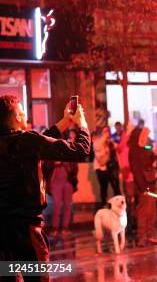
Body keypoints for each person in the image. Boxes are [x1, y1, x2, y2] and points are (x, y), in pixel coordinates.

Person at [0, 95, 90, 281]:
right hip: (25, 230)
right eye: (22, 110)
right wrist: (81, 124)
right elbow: (80, 149)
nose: (25, 113)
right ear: (17, 116)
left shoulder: (23, 142)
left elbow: (41, 142)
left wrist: (65, 121)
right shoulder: (27, 141)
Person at [128, 122, 157, 247]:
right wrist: (143, 188)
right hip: (143, 186)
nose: (145, 138)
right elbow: (136, 170)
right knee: (143, 212)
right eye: (143, 135)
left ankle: (150, 235)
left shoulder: (141, 149)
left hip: (149, 184)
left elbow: (146, 165)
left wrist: (153, 156)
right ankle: (142, 236)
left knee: (152, 211)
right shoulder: (134, 151)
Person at [43, 160, 78, 238]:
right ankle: (54, 228)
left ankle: (65, 227)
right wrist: (53, 163)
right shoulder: (51, 153)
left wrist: (65, 164)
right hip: (55, 182)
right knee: (57, 205)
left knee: (67, 205)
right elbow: (45, 168)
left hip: (68, 181)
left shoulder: (69, 151)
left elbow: (74, 168)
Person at [93, 126, 120, 208]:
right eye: (105, 131)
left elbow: (117, 150)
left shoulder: (110, 142)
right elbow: (97, 146)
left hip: (111, 168)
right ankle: (104, 204)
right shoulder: (98, 141)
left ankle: (117, 205)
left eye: (108, 131)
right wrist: (104, 137)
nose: (107, 133)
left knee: (115, 188)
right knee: (104, 188)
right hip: (101, 169)